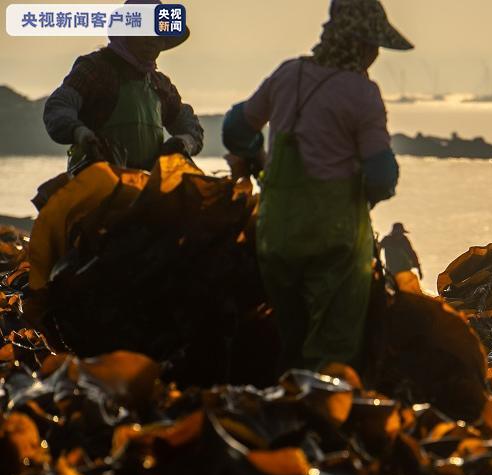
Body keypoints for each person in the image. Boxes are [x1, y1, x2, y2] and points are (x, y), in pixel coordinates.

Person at [222, 0, 412, 371]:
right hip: (334, 240)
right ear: (359, 44)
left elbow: (235, 130)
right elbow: (382, 177)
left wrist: (259, 160)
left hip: (276, 234)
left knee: (290, 335)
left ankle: (283, 406)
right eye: (372, 46)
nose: (374, 55)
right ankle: (321, 415)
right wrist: (364, 198)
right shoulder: (362, 93)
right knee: (332, 348)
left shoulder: (287, 74)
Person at [43, 0, 203, 172]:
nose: (152, 41)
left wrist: (184, 142)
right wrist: (80, 133)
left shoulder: (160, 84)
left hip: (143, 187)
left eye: (158, 36)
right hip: (97, 182)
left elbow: (191, 128)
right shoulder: (95, 69)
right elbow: (58, 106)